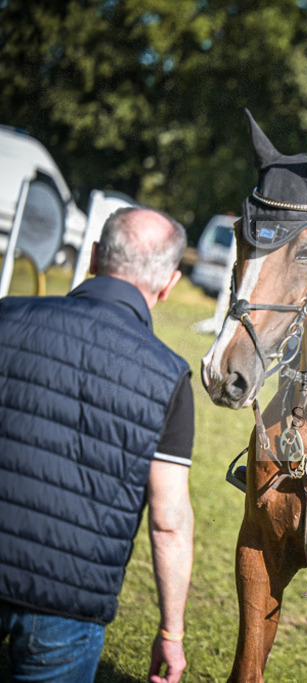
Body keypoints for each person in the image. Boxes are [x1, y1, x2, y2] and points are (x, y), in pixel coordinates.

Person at [0, 207, 195, 683]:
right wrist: (171, 631)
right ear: (168, 284)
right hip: (68, 604)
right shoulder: (169, 376)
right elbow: (169, 522)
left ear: (92, 257)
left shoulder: (7, 315)